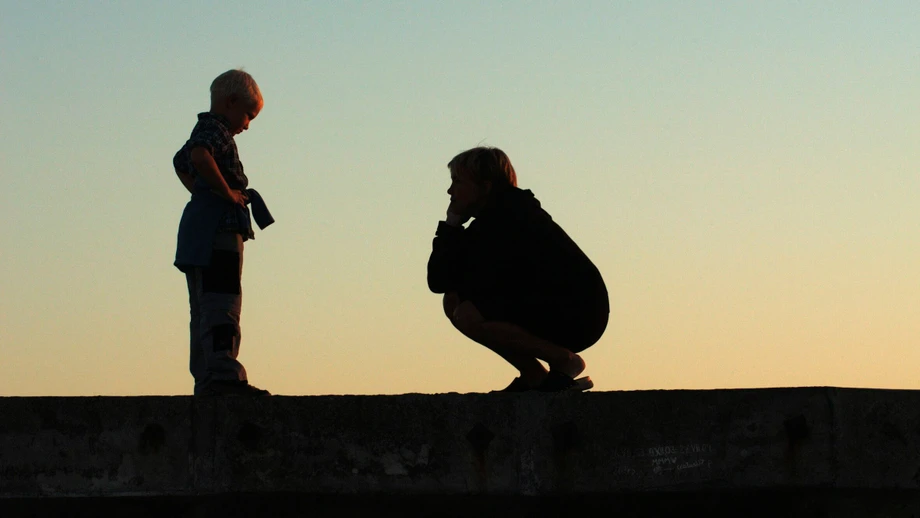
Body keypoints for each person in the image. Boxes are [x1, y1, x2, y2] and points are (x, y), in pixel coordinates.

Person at [427, 147, 609, 392]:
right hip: (545, 303)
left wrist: (452, 233)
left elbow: (463, 280)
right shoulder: (491, 219)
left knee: (467, 312)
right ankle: (535, 374)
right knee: (454, 301)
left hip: (577, 311)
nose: (450, 191)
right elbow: (440, 282)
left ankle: (564, 361)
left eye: (458, 182)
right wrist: (451, 225)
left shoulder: (510, 216)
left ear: (485, 185)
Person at [172, 69, 275, 396]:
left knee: (203, 307)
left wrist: (202, 190)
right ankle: (223, 378)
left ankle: (207, 377)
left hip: (201, 233)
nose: (246, 125)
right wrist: (225, 193)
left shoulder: (204, 130)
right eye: (247, 116)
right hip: (218, 235)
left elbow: (181, 162)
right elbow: (198, 157)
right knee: (221, 302)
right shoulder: (214, 130)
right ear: (230, 103)